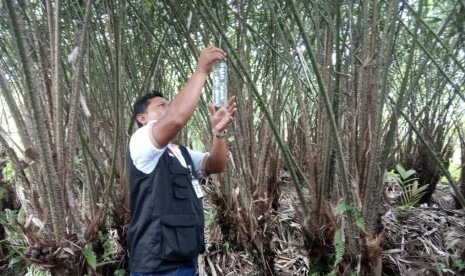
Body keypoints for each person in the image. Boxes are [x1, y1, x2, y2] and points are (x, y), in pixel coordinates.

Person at [127, 46, 237, 276]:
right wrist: (202, 69)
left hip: (184, 257)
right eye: (161, 106)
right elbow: (177, 118)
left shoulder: (180, 153)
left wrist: (219, 133)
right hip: (156, 265)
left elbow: (216, 165)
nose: (168, 108)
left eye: (169, 104)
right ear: (142, 118)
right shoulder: (140, 142)